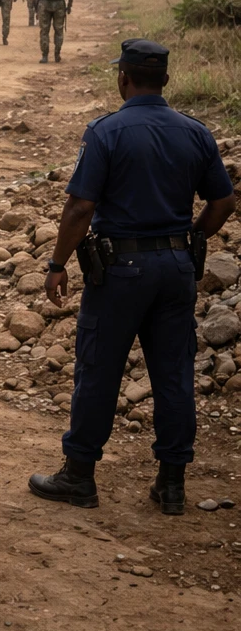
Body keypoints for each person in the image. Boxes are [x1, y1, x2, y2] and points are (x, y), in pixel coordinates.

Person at [29, 40, 235, 514]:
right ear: (165, 80)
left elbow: (81, 206)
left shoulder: (106, 132)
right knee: (174, 374)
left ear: (122, 78)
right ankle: (172, 484)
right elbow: (223, 201)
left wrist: (57, 264)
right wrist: (193, 238)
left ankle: (79, 476)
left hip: (120, 271)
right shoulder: (195, 133)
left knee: (99, 371)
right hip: (176, 268)